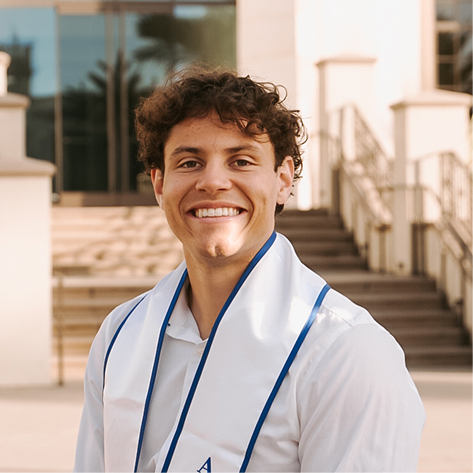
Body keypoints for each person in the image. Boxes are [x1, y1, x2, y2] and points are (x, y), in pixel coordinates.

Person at [74, 68, 425, 473]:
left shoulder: (347, 353)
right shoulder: (120, 335)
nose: (213, 182)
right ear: (159, 184)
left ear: (283, 180)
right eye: (189, 162)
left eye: (241, 161)